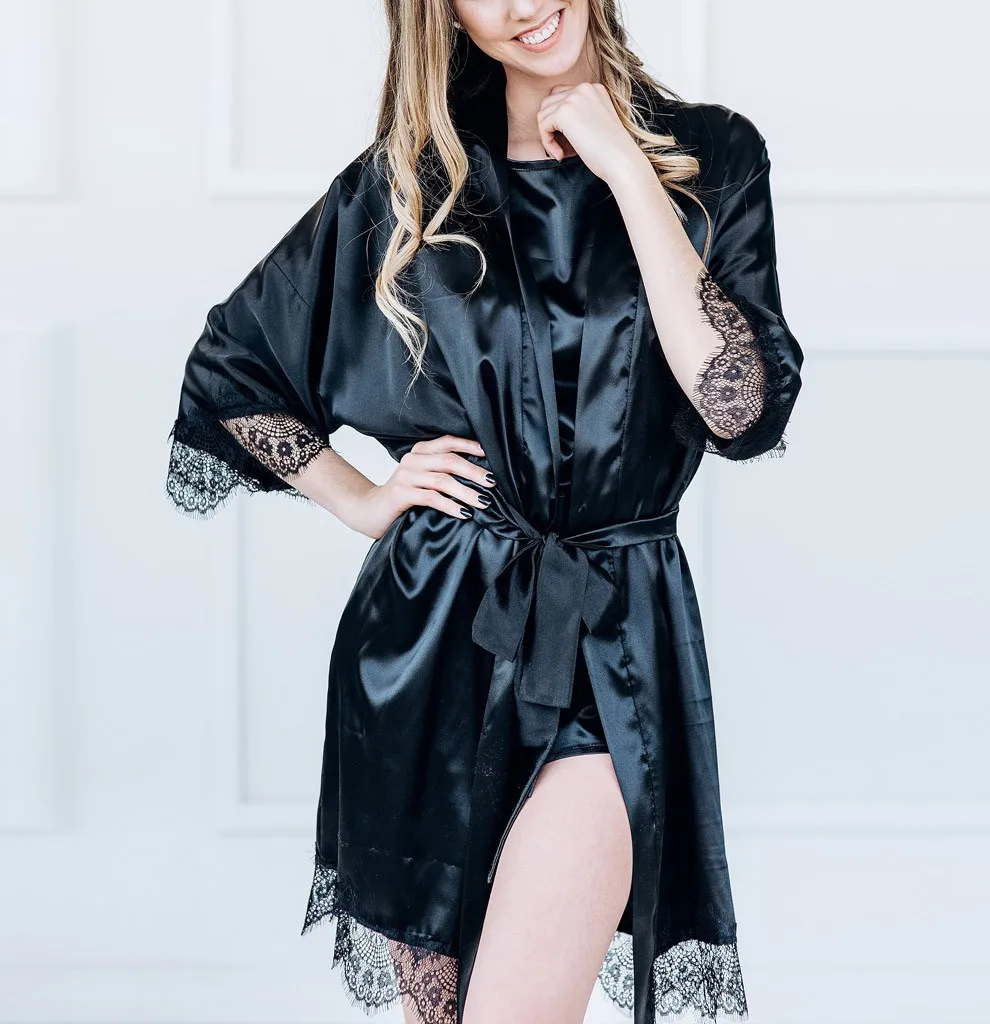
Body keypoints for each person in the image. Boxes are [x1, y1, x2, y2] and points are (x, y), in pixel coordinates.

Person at [164, 1, 804, 1021]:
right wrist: (363, 499)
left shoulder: (711, 156)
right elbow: (233, 369)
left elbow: (740, 408)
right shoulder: (411, 184)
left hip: (611, 638)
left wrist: (625, 166)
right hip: (431, 642)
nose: (520, 5)